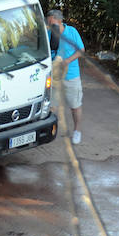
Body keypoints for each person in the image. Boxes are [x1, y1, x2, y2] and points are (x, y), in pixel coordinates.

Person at [46, 9, 85, 144]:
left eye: (52, 22)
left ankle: (77, 131)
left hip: (71, 75)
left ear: (60, 21)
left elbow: (81, 50)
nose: (50, 25)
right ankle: (49, 131)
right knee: (51, 106)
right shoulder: (49, 33)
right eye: (49, 22)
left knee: (75, 105)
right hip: (54, 77)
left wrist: (67, 61)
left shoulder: (72, 32)